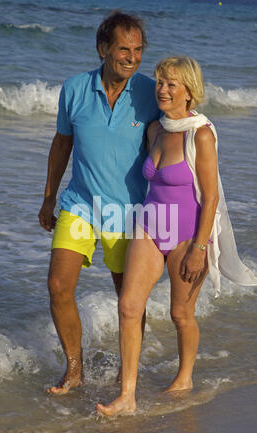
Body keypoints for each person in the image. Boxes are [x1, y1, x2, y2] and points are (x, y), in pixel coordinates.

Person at [96, 56, 257, 416]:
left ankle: (185, 376)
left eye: (172, 84)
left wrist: (199, 249)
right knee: (128, 306)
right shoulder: (155, 129)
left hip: (188, 235)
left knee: (180, 314)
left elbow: (211, 195)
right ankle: (127, 396)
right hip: (150, 225)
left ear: (189, 91)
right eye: (159, 82)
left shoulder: (200, 133)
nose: (162, 89)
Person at [38, 11, 160, 394]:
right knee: (58, 285)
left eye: (138, 50)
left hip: (129, 210)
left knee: (129, 298)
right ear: (103, 48)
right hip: (80, 204)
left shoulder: (150, 93)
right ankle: (75, 369)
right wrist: (48, 197)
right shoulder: (74, 88)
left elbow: (176, 140)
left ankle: (129, 374)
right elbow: (62, 144)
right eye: (124, 48)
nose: (132, 57)